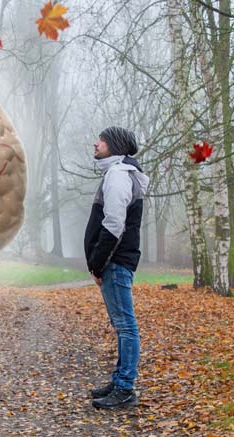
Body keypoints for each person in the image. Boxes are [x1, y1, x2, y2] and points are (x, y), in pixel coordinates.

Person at [84, 126, 149, 409]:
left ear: (114, 145)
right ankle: (119, 380)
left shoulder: (119, 175)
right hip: (115, 260)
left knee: (126, 326)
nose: (96, 144)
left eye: (102, 140)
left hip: (115, 260)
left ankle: (125, 388)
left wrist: (98, 263)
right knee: (122, 325)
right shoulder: (117, 173)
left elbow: (113, 224)